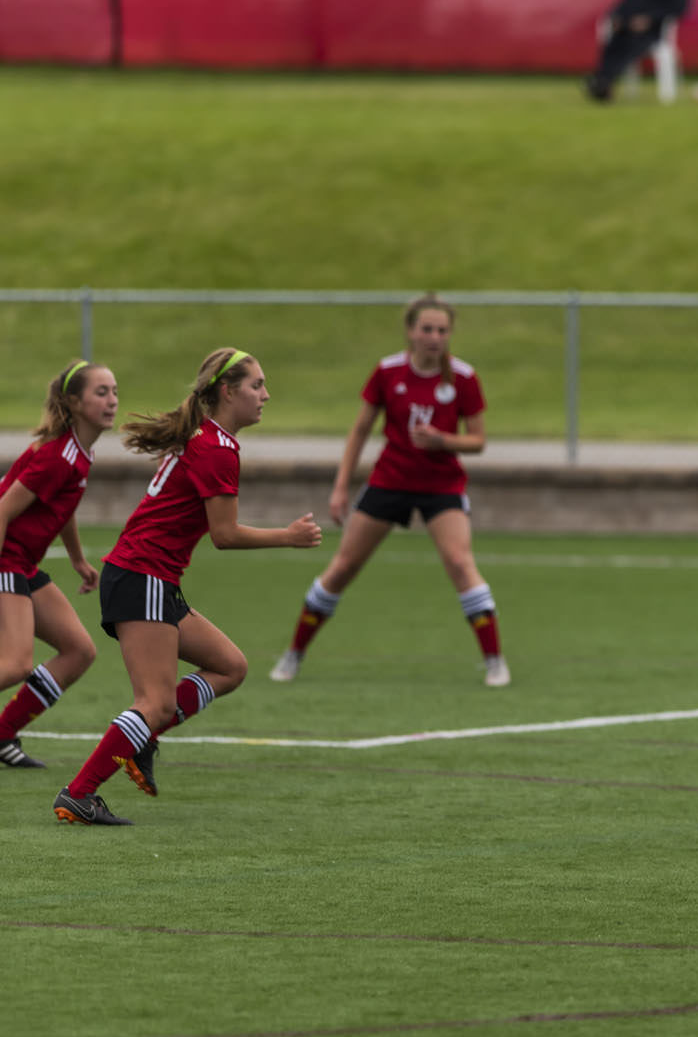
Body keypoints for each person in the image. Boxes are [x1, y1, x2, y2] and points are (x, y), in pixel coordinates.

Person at [53, 349, 322, 825]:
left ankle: (141, 739)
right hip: (143, 576)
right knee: (153, 704)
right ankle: (79, 793)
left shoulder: (208, 438)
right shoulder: (216, 448)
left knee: (229, 666)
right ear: (228, 391)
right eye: (257, 385)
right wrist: (289, 536)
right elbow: (224, 535)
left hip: (150, 578)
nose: (266, 395)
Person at [271, 294, 503, 686]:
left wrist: (442, 440)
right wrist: (341, 486)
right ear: (410, 331)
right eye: (426, 329)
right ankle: (293, 654)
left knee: (461, 565)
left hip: (441, 485)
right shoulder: (388, 372)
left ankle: (495, 661)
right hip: (389, 481)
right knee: (343, 567)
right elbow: (360, 430)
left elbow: (478, 441)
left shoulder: (463, 378)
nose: (434, 337)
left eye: (442, 330)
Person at [0, 362, 119, 769]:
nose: (112, 400)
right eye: (101, 392)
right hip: (6, 561)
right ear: (73, 402)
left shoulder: (78, 453)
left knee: (78, 650)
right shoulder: (59, 456)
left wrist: (78, 560)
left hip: (23, 564)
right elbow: (2, 511)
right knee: (15, 662)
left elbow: (59, 508)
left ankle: (2, 733)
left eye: (114, 391)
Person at [585, 0, 692, 103]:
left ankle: (604, 82)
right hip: (627, 31)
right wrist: (617, 18)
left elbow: (678, 10)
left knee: (630, 48)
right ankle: (602, 81)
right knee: (612, 45)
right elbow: (622, 6)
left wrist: (649, 20)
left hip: (653, 35)